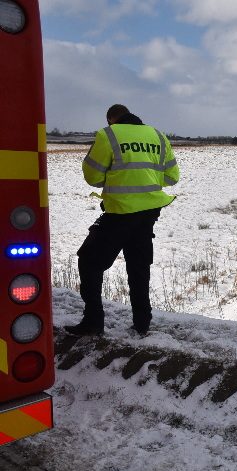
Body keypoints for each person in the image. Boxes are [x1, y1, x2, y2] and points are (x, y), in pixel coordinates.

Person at [64, 104, 179, 337]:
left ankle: (93, 322)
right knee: (138, 266)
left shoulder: (107, 135)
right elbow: (171, 177)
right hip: (148, 214)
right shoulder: (158, 136)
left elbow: (92, 176)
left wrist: (116, 178)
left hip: (118, 213)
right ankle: (142, 323)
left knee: (89, 261)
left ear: (111, 120)